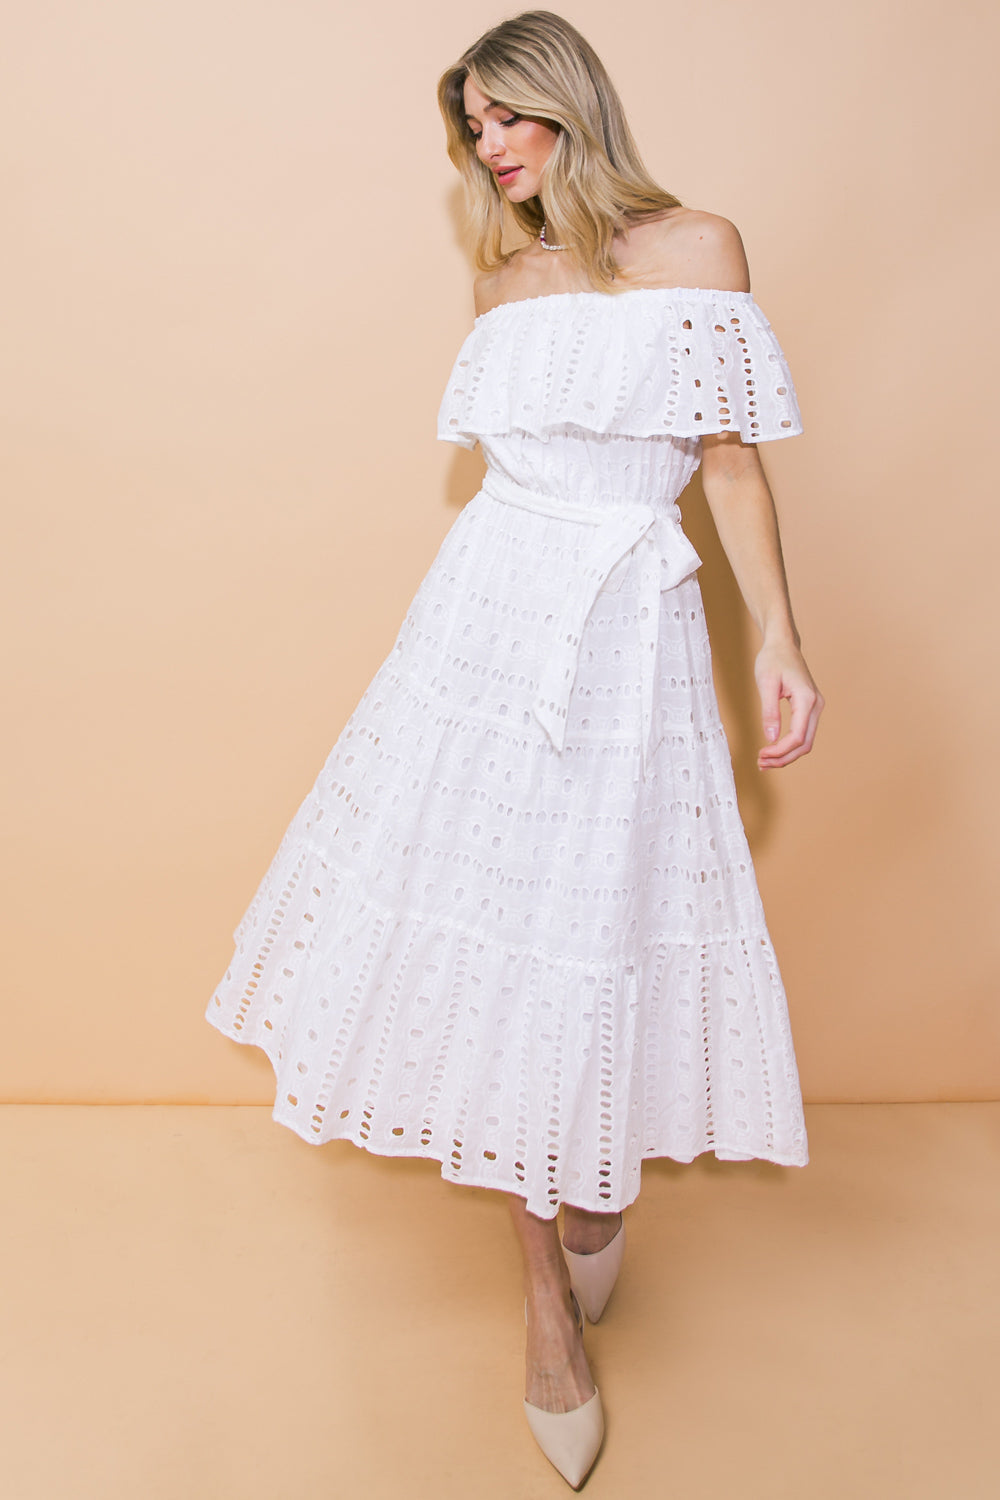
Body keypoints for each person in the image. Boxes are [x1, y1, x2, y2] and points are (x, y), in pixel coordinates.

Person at [206, 9, 823, 1490]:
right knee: (492, 925)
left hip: (629, 635)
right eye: (469, 126)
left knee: (592, 923)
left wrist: (778, 639)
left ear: (570, 105)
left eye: (505, 115)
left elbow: (728, 465)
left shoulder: (700, 250)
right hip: (484, 629)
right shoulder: (505, 276)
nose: (487, 146)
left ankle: (592, 1188)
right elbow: (509, 485)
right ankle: (544, 1299)